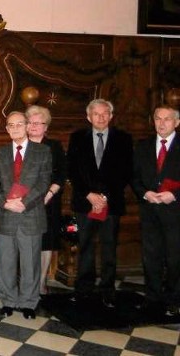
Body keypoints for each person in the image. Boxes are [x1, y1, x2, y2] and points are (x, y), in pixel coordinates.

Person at [67, 99, 133, 308]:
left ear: (111, 116)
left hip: (111, 203)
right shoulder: (77, 138)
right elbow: (72, 170)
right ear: (89, 117)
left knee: (108, 247)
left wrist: (104, 197)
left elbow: (126, 172)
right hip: (84, 203)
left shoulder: (123, 139)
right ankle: (83, 288)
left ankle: (107, 290)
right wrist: (89, 194)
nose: (101, 117)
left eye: (105, 114)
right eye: (96, 114)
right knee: (85, 246)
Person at [0, 111, 51, 320]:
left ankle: (28, 303)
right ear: (6, 129)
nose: (15, 128)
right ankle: (8, 300)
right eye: (10, 125)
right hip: (6, 215)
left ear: (27, 126)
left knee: (30, 262)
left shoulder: (43, 152)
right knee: (6, 261)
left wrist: (24, 203)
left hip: (30, 214)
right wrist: (5, 202)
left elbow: (43, 183)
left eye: (19, 124)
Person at [132, 106, 180, 316]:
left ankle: (174, 299)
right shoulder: (143, 146)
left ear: (176, 123)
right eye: (158, 119)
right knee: (151, 255)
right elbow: (134, 177)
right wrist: (145, 193)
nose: (162, 123)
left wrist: (175, 195)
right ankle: (152, 297)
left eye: (167, 119)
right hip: (150, 210)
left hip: (175, 211)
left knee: (175, 258)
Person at [25, 106, 67, 295]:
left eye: (37, 123)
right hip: (24, 203)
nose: (33, 126)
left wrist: (49, 194)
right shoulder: (20, 145)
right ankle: (28, 283)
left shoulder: (54, 147)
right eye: (30, 122)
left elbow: (61, 174)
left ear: (46, 127)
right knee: (26, 243)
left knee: (45, 243)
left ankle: (41, 282)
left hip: (48, 202)